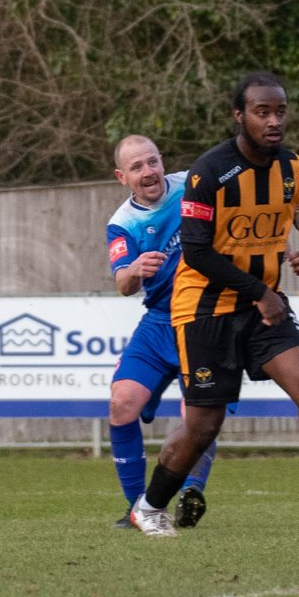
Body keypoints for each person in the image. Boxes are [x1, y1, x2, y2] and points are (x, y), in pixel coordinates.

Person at [128, 71, 299, 538]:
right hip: (204, 309)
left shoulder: (292, 167)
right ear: (240, 116)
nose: (273, 120)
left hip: (264, 308)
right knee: (203, 425)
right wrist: (261, 291)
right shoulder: (209, 172)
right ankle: (150, 506)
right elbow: (196, 252)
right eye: (262, 112)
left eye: (279, 111)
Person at [106, 135, 218, 529]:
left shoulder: (193, 184)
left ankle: (190, 492)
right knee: (122, 402)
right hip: (158, 321)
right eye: (136, 168)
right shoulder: (122, 223)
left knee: (197, 413)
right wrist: (134, 271)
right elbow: (122, 282)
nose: (147, 172)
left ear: (161, 162)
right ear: (123, 177)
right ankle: (137, 504)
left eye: (152, 162)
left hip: (205, 316)